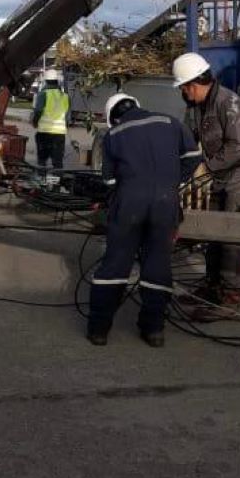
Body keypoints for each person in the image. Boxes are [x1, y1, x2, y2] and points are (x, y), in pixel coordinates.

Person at [87, 93, 202, 348]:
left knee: (115, 264)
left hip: (129, 205)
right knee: (157, 265)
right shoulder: (171, 123)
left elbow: (108, 181)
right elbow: (194, 157)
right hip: (165, 203)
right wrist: (174, 182)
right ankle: (154, 330)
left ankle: (99, 329)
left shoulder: (114, 135)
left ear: (113, 117)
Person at [172, 52, 240, 311]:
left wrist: (206, 166)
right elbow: (187, 137)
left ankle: (231, 297)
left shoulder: (228, 103)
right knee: (213, 231)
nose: (183, 94)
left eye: (183, 88)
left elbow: (239, 145)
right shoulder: (199, 107)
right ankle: (212, 286)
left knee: (233, 237)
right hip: (223, 177)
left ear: (194, 84)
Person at [31, 69, 70, 169]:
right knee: (57, 162)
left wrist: (35, 122)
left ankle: (41, 181)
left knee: (42, 161)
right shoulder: (65, 96)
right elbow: (67, 116)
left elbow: (38, 111)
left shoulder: (43, 94)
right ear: (57, 81)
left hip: (45, 132)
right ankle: (57, 181)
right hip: (60, 134)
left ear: (46, 81)